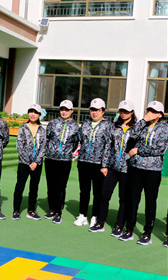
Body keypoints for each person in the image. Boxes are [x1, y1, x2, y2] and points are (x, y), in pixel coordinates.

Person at [120, 101, 168, 245]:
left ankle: (147, 233)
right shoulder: (143, 125)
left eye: (153, 111)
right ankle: (129, 229)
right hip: (136, 168)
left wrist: (139, 150)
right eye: (148, 110)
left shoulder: (164, 128)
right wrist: (143, 121)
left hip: (152, 170)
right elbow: (131, 135)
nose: (150, 113)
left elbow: (159, 149)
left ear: (159, 115)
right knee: (133, 199)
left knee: (150, 201)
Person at [89, 100, 137, 235]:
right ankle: (100, 223)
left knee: (123, 198)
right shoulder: (113, 127)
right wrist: (104, 165)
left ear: (132, 113)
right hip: (112, 167)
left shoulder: (136, 129)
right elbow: (108, 147)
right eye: (121, 111)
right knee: (104, 195)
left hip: (127, 169)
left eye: (126, 111)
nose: (123, 114)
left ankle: (119, 226)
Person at [73, 98, 114, 227]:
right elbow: (79, 140)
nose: (94, 112)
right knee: (84, 190)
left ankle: (95, 216)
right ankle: (82, 215)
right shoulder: (85, 123)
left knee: (98, 192)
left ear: (103, 111)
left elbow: (109, 146)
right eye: (92, 110)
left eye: (98, 110)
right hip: (84, 161)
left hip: (98, 164)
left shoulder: (108, 126)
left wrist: (105, 165)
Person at [43, 100, 80, 224]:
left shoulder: (75, 126)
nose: (64, 112)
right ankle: (52, 209)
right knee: (51, 185)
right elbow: (47, 138)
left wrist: (66, 152)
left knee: (61, 187)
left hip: (64, 160)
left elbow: (75, 143)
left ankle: (58, 212)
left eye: (67, 109)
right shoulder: (52, 123)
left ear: (71, 111)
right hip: (50, 159)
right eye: (62, 109)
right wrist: (50, 152)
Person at [12, 104, 46, 220]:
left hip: (37, 165)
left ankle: (31, 211)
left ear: (39, 115)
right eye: (31, 112)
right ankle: (16, 210)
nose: (33, 114)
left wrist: (36, 162)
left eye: (35, 112)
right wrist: (28, 162)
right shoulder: (23, 128)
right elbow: (19, 146)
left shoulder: (42, 130)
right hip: (24, 163)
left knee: (34, 188)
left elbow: (43, 147)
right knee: (20, 186)